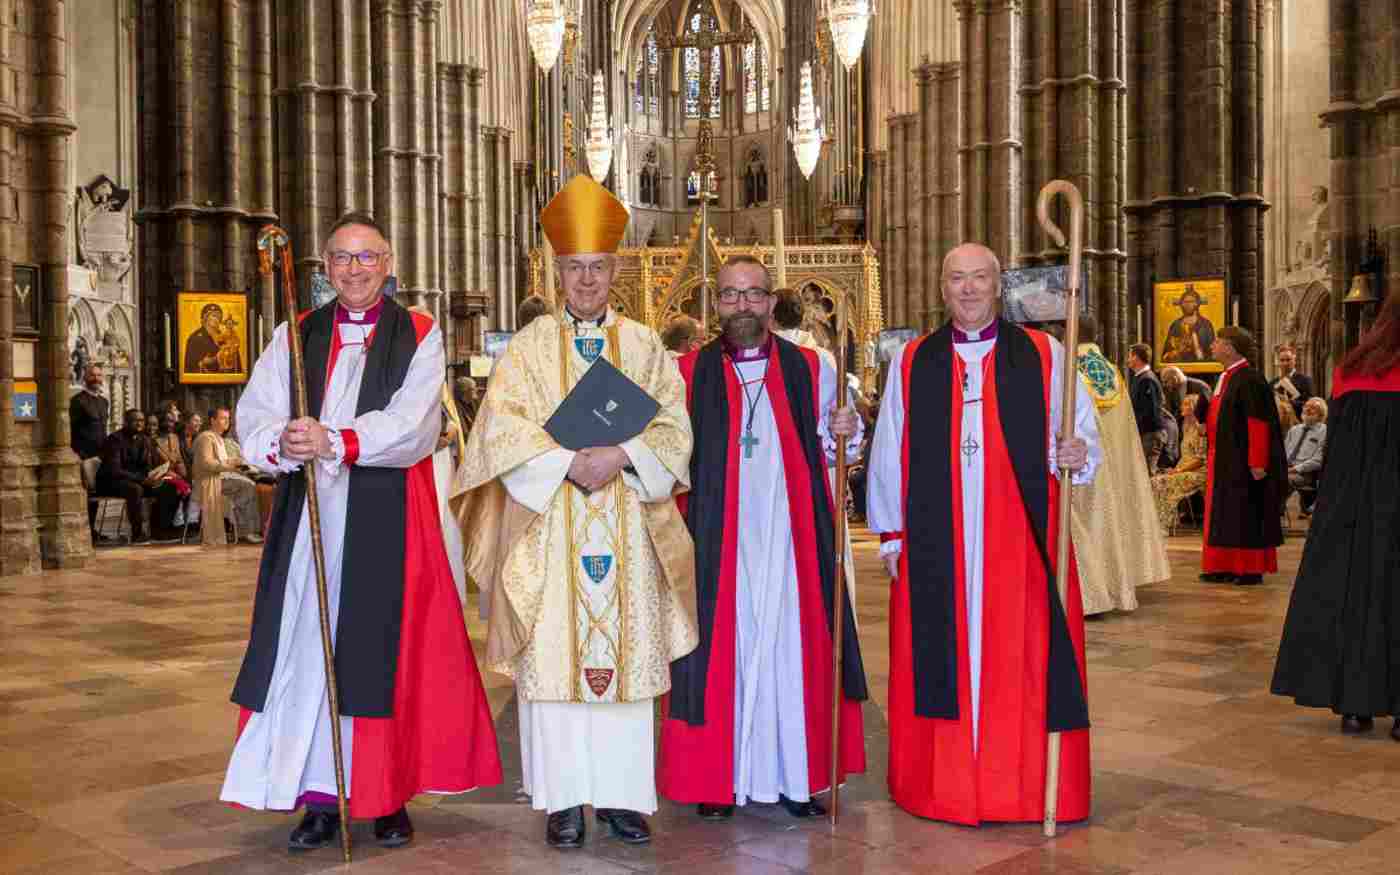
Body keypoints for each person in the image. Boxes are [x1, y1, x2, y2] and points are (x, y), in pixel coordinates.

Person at [219, 211, 502, 852]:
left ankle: (387, 794)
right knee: (307, 648)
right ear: (324, 268)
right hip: (309, 519)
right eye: (341, 258)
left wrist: (337, 439)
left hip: (390, 519)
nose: (354, 268)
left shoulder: (421, 334)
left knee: (387, 655)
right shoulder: (296, 332)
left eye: (366, 256)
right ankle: (320, 796)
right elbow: (255, 413)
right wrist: (284, 441)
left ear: (389, 262)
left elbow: (413, 425)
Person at [452, 175, 697, 850]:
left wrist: (620, 455)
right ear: (557, 269)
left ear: (614, 268)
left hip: (626, 519)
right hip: (551, 525)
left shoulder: (647, 347)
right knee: (554, 662)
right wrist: (566, 462)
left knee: (625, 669)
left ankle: (622, 798)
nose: (586, 280)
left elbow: (676, 429)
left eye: (597, 267)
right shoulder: (528, 348)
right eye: (574, 268)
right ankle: (560, 799)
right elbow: (497, 430)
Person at [867, 242, 1100, 825]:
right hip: (935, 539)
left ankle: (1018, 789)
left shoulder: (1046, 354)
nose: (967, 289)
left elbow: (1081, 438)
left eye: (979, 278)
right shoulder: (914, 360)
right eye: (956, 279)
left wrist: (1076, 451)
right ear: (941, 288)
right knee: (939, 658)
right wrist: (892, 536)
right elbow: (889, 450)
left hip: (1019, 539)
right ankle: (939, 786)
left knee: (1022, 664)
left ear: (999, 286)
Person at [657, 255, 868, 821]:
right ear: (716, 304)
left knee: (789, 646)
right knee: (719, 649)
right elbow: (666, 457)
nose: (742, 306)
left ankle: (798, 777)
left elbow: (835, 444)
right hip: (716, 538)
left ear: (771, 303)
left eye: (753, 294)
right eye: (730, 295)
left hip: (790, 535)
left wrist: (847, 431)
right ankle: (716, 779)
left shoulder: (812, 365)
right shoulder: (683, 375)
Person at [1272, 291, 1400, 740]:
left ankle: (1355, 705)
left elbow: (1337, 453)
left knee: (1356, 598)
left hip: (1351, 511)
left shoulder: (1349, 371)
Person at [1067, 317, 1169, 616]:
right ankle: (1115, 582)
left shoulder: (1071, 369)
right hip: (1115, 459)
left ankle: (1092, 592)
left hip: (1086, 467)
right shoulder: (1110, 369)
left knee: (1086, 524)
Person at [1199, 326, 1286, 586]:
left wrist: (1257, 461)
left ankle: (1248, 569)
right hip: (1224, 456)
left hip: (1243, 460)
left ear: (1230, 347)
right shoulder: (1226, 377)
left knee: (1244, 513)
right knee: (1225, 513)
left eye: (1217, 342)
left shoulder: (1250, 379)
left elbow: (1257, 423)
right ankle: (1223, 564)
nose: (1212, 345)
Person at [96, 409, 183, 543]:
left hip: (138, 480)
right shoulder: (115, 439)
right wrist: (143, 479)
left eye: (142, 421)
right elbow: (115, 470)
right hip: (111, 482)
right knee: (135, 489)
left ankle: (159, 530)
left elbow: (147, 465)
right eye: (135, 420)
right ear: (126, 422)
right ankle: (137, 534)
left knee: (170, 486)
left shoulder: (143, 439)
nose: (139, 424)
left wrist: (156, 476)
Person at [192, 406, 264, 545]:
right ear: (212, 420)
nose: (227, 422)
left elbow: (221, 462)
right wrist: (230, 465)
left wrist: (237, 464)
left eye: (228, 418)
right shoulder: (205, 438)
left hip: (220, 478)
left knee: (248, 484)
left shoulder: (219, 439)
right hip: (208, 481)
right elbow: (207, 464)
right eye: (223, 418)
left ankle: (244, 529)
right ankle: (246, 531)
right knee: (247, 487)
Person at [1151, 393, 1210, 534]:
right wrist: (1176, 469)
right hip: (1185, 469)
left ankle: (1165, 525)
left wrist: (1179, 471)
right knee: (1155, 480)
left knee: (1162, 483)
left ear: (1192, 407)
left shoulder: (1200, 429)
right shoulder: (1186, 427)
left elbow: (1200, 459)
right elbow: (1186, 456)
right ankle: (1162, 522)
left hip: (1200, 472)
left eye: (1185, 404)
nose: (1181, 407)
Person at [1127, 343, 1167, 474]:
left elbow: (1150, 412)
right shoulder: (1140, 377)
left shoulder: (1147, 380)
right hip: (1145, 433)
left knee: (1147, 473)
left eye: (1130, 356)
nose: (1128, 360)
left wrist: (1135, 429)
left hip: (1149, 434)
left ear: (1137, 358)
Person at [1283, 397, 1327, 515]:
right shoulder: (1294, 430)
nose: (1307, 409)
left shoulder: (1324, 431)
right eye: (1306, 406)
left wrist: (1294, 469)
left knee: (1282, 480)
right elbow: (1283, 453)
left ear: (1321, 413)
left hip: (1306, 474)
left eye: (1313, 408)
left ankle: (1274, 511)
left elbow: (1318, 460)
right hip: (1287, 469)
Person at [1161, 286, 1217, 364]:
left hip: (1202, 366)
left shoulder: (1206, 324)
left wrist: (1198, 349)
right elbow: (1166, 354)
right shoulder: (1176, 325)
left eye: (1191, 301)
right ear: (1181, 304)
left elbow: (1213, 351)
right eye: (1185, 302)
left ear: (1197, 303)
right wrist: (1177, 351)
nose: (1188, 304)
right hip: (1180, 365)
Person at [70, 364, 109, 460]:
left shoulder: (104, 401)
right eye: (92, 375)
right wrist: (79, 454)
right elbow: (71, 429)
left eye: (99, 375)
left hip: (102, 454)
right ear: (85, 378)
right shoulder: (77, 400)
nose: (96, 378)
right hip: (84, 455)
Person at [185, 303, 236, 373]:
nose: (216, 319)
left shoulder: (225, 337)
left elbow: (234, 361)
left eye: (218, 317)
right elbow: (191, 366)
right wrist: (208, 361)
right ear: (205, 318)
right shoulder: (195, 338)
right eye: (213, 316)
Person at [1271, 344, 1314, 418]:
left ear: (1294, 361)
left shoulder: (1305, 380)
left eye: (1288, 360)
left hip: (1298, 422)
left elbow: (1311, 404)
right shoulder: (1272, 383)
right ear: (1278, 362)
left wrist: (1290, 402)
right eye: (1282, 360)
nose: (1285, 363)